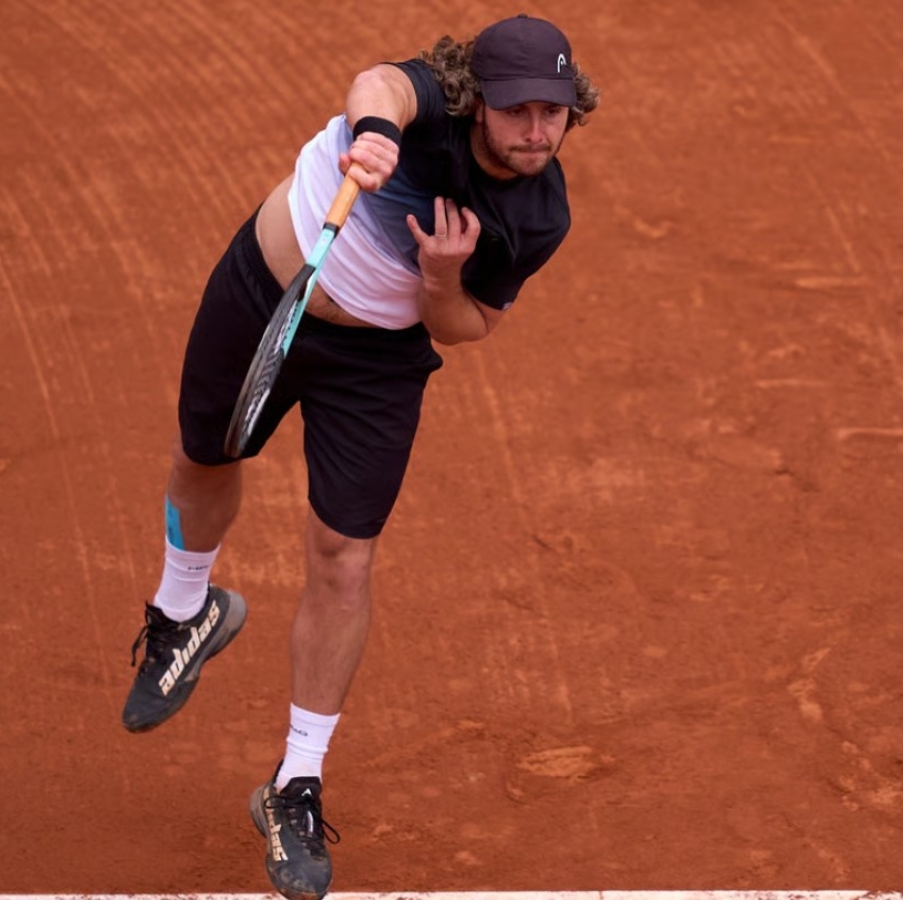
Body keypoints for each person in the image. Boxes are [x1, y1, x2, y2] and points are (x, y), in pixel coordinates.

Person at [120, 14, 599, 900]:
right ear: (476, 100)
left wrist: (444, 279)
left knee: (344, 557)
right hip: (264, 292)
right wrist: (376, 139)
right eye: (519, 108)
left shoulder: (541, 214)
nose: (538, 129)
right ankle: (185, 610)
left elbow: (470, 330)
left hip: (377, 362)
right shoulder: (424, 106)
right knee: (206, 457)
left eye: (555, 111)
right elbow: (380, 82)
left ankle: (295, 783)